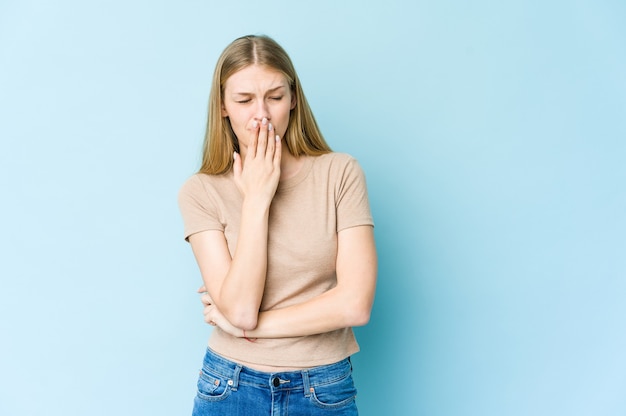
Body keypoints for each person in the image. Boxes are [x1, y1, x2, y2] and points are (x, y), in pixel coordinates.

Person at [178, 34, 377, 416]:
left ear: (294, 98)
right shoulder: (200, 191)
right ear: (222, 106)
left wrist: (250, 328)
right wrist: (257, 199)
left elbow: (355, 304)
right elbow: (239, 310)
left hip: (323, 387)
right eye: (244, 100)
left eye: (275, 96)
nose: (262, 115)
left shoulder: (340, 173)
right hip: (229, 385)